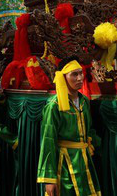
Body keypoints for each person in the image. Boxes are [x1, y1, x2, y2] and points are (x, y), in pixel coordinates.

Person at [38, 56, 101, 196]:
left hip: (84, 162)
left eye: (81, 73)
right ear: (63, 78)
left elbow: (89, 129)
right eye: (74, 74)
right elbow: (48, 141)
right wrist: (49, 179)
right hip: (64, 164)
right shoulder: (54, 106)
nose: (80, 78)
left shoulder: (84, 101)